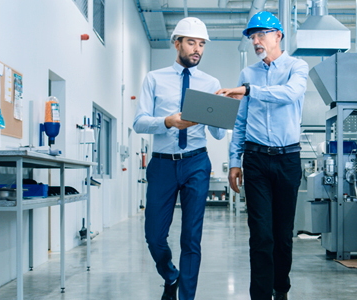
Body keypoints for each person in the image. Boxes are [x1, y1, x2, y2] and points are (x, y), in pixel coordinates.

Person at [216, 11, 309, 300]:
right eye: (252, 36)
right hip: (255, 161)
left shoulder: (297, 66)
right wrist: (234, 161)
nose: (256, 41)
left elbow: (290, 94)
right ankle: (259, 296)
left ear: (278, 35)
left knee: (282, 235)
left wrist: (249, 90)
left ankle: (280, 290)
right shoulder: (248, 74)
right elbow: (241, 122)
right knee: (260, 235)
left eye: (261, 35)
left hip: (288, 159)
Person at [133, 17, 226, 300]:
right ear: (177, 44)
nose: (197, 49)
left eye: (201, 44)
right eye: (191, 43)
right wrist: (168, 122)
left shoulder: (211, 83)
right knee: (155, 237)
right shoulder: (154, 78)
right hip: (162, 163)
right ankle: (170, 274)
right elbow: (138, 123)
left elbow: (219, 135)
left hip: (196, 162)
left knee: (191, 238)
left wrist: (220, 111)